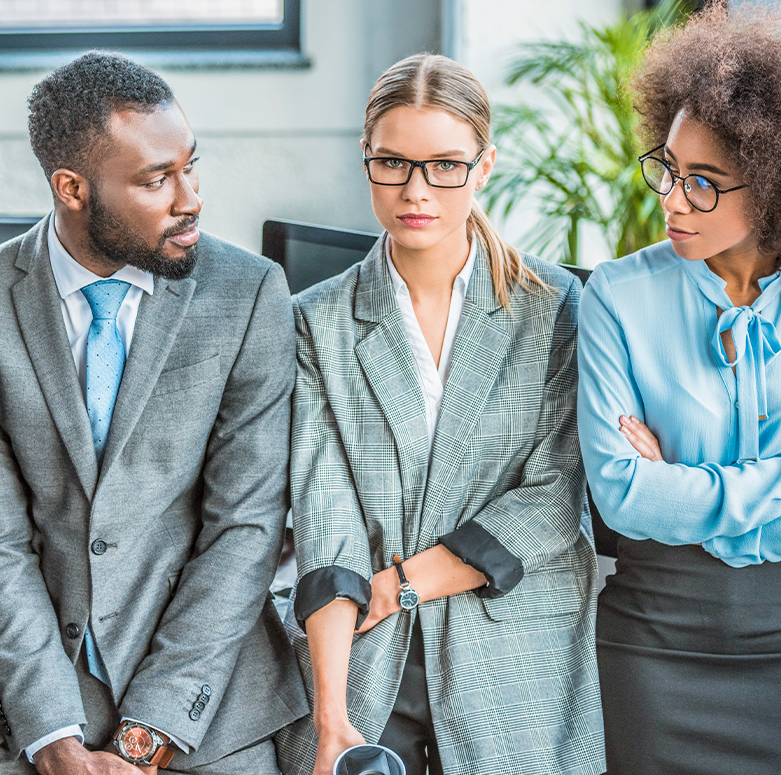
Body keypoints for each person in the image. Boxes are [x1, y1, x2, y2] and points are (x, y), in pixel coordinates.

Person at [0, 51, 305, 775]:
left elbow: (245, 530)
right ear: (72, 187)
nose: (189, 197)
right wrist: (55, 741)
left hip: (204, 695)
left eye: (191, 166)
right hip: (29, 693)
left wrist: (146, 735)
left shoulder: (250, 293)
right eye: (155, 180)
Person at [577, 7, 781, 774]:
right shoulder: (617, 297)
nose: (671, 200)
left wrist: (693, 498)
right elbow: (625, 498)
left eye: (703, 184)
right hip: (648, 649)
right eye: (668, 168)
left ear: (775, 184)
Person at [276, 54, 603, 775]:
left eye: (445, 165)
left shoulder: (553, 307)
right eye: (392, 162)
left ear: (484, 167)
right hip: (362, 649)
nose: (416, 189)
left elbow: (553, 500)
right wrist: (332, 717)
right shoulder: (315, 322)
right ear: (367, 160)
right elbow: (326, 519)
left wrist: (399, 584)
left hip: (514, 648)